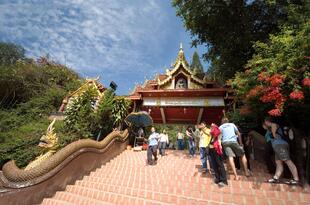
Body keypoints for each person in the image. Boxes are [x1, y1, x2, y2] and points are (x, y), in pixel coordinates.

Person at [264, 117, 299, 185]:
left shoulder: (273, 125)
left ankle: (296, 179)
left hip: (280, 145)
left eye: (265, 122)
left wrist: (272, 135)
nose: (265, 123)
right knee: (278, 163)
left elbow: (274, 136)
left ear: (267, 121)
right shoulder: (274, 126)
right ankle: (276, 178)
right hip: (278, 146)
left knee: (288, 161)